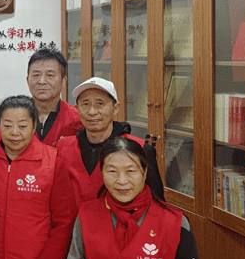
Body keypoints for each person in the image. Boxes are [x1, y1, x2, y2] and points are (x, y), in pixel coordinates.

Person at [67, 137, 201, 259]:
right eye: (112, 171)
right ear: (101, 172)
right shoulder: (87, 214)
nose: (122, 181)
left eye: (131, 171)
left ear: (145, 172)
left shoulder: (175, 222)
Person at [0, 95, 76, 259]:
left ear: (34, 127)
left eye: (23, 126)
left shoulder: (52, 161)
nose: (15, 132)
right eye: (7, 126)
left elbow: (64, 222)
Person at [56, 77, 164, 210]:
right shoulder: (63, 147)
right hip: (73, 229)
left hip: (120, 228)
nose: (92, 112)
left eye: (100, 104)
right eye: (85, 104)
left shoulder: (140, 149)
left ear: (115, 108)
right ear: (77, 108)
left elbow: (156, 204)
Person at [26, 48, 82, 146]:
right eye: (36, 75)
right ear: (28, 80)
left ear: (63, 81)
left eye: (50, 75)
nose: (42, 81)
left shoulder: (77, 119)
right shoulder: (15, 117)